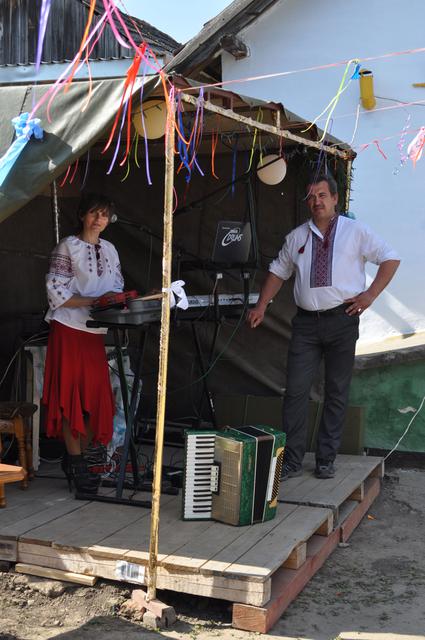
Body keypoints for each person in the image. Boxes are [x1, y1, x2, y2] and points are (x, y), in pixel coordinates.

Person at [248, 173, 400, 480]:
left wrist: (370, 295)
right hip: (306, 324)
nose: (316, 201)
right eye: (311, 197)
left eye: (322, 195)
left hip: (342, 320)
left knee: (336, 391)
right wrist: (262, 305)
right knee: (295, 391)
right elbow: (278, 272)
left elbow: (390, 258)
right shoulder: (297, 237)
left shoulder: (355, 231)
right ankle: (292, 461)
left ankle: (326, 460)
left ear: (334, 199)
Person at [42, 193, 124, 494]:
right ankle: (78, 465)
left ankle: (74, 457)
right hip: (68, 329)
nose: (99, 219)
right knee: (71, 400)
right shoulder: (68, 246)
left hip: (95, 333)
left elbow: (117, 286)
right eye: (93, 213)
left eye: (104, 214)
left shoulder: (111, 249)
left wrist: (118, 301)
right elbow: (56, 292)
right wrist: (95, 301)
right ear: (82, 215)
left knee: (95, 403)